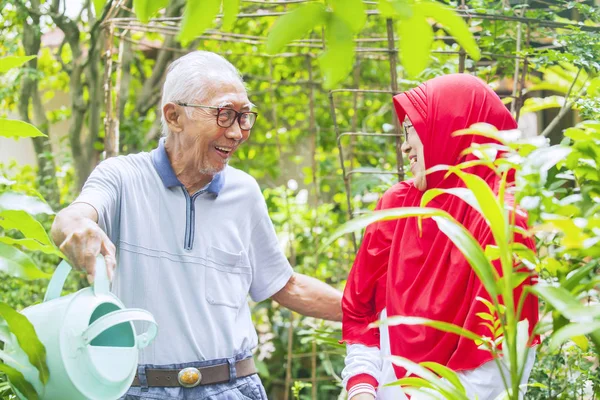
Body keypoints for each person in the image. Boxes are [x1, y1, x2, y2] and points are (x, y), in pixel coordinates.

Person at [51, 51, 342, 400]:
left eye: (244, 116)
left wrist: (379, 314)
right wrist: (77, 227)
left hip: (233, 387)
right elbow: (72, 217)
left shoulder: (244, 192)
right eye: (224, 115)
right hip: (139, 390)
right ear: (174, 116)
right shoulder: (122, 177)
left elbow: (285, 285)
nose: (237, 132)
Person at [341, 74, 539, 400]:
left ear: (449, 127)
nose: (404, 145)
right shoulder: (397, 207)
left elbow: (504, 360)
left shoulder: (500, 224)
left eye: (412, 130)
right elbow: (362, 315)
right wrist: (361, 388)